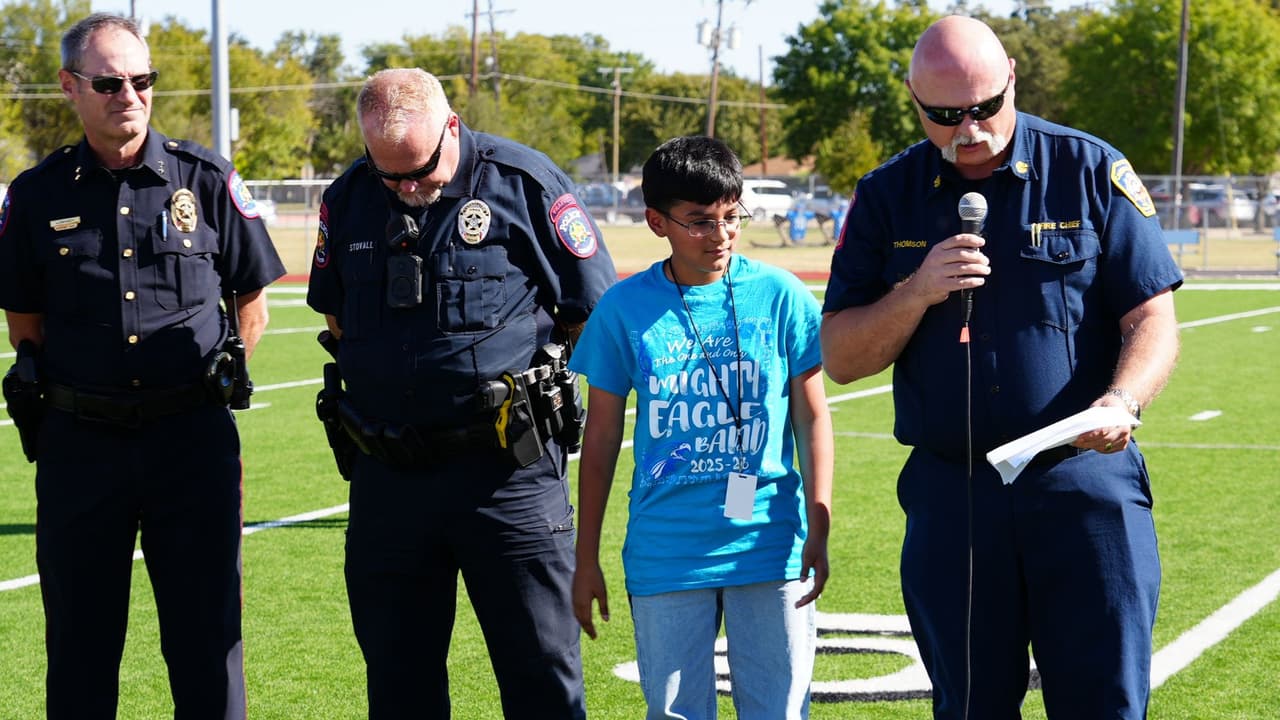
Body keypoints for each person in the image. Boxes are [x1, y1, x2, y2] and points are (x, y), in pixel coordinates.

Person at [820, 15, 1181, 720]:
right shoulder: (885, 194)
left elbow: (1152, 317)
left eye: (985, 107)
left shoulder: (1088, 169)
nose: (970, 130)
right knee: (968, 707)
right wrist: (917, 291)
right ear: (912, 99)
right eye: (945, 115)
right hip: (954, 494)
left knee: (1104, 701)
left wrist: (1123, 400)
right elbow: (841, 356)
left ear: (1013, 75)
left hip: (1082, 484)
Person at [305, 68, 616, 718]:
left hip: (507, 478)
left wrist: (542, 382)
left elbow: (593, 311)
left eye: (419, 169)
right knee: (398, 684)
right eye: (391, 174)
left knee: (542, 681)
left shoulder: (523, 183)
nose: (407, 188)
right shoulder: (351, 197)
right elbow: (335, 316)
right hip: (389, 481)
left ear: (452, 127)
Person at [0, 12, 285, 720]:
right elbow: (24, 318)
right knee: (80, 642)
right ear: (70, 87)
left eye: (142, 79)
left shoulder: (207, 178)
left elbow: (252, 297)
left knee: (208, 640)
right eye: (109, 81)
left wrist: (220, 376)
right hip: (80, 446)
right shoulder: (37, 195)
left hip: (190, 444)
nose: (129, 94)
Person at [571, 135, 834, 719]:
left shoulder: (782, 295)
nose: (719, 236)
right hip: (666, 548)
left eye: (729, 216)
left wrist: (819, 520)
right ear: (656, 221)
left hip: (769, 542)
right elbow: (602, 442)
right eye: (698, 222)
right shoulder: (623, 308)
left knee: (778, 712)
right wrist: (585, 555)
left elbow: (812, 414)